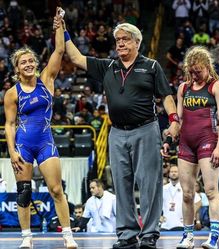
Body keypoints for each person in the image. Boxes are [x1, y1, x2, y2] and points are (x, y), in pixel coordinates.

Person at [54, 15, 179, 249]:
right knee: (121, 184)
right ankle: (127, 234)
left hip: (146, 129)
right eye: (118, 40)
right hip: (117, 133)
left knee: (149, 183)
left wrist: (173, 120)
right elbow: (75, 57)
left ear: (137, 43)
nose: (120, 43)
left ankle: (150, 233)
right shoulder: (108, 66)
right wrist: (64, 29)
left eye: (125, 40)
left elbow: (167, 96)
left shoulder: (151, 66)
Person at [4, 7, 78, 249]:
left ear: (35, 64)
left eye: (30, 61)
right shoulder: (12, 94)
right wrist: (12, 151)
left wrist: (59, 24)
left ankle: (67, 234)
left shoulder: (46, 80)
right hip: (23, 146)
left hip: (45, 142)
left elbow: (59, 50)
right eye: (22, 62)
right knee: (24, 192)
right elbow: (10, 123)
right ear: (16, 69)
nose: (27, 64)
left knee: (56, 189)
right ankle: (26, 237)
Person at [176, 46, 219, 249]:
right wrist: (169, 138)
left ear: (207, 67)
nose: (194, 75)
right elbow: (179, 118)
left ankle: (213, 237)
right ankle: (188, 236)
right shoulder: (183, 88)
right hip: (186, 143)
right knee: (187, 193)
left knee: (210, 190)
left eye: (198, 71)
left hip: (208, 142)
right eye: (191, 71)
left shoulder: (217, 87)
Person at [160, 165, 201, 231]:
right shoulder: (163, 188)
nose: (173, 173)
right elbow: (156, 204)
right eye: (172, 172)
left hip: (181, 225)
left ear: (180, 173)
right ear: (169, 174)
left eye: (176, 171)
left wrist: (189, 215)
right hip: (165, 225)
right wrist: (158, 217)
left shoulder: (185, 188)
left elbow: (198, 202)